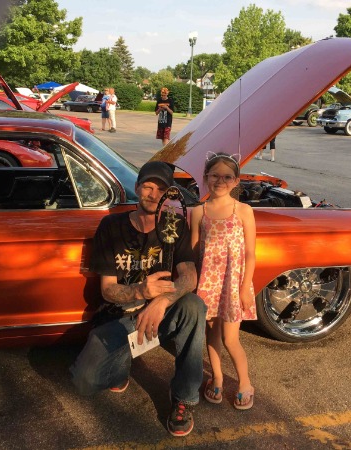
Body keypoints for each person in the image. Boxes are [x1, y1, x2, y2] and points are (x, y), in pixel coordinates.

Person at [70, 161, 206, 437]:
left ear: (168, 195)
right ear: (136, 188)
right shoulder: (111, 226)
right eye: (147, 186)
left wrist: (160, 302)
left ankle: (183, 397)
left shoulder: (174, 224)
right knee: (83, 381)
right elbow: (107, 289)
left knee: (194, 306)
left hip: (159, 314)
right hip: (119, 316)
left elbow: (189, 278)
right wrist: (141, 291)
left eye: (161, 189)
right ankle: (121, 365)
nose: (153, 194)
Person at [190, 152, 257, 411]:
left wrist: (245, 288)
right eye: (215, 175)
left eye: (227, 176)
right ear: (206, 178)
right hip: (207, 283)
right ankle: (216, 377)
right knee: (212, 334)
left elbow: (250, 253)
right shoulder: (198, 211)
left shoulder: (243, 210)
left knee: (231, 339)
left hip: (232, 285)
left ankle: (245, 384)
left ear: (236, 181)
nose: (220, 180)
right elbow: (195, 252)